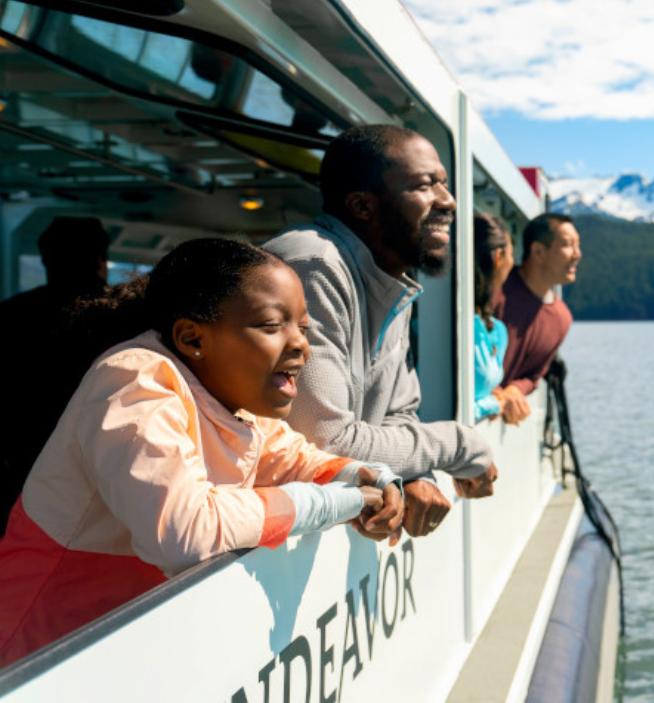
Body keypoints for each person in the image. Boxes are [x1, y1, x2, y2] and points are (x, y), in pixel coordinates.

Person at [0, 239, 404, 666]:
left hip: (107, 649)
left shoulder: (231, 398)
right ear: (192, 338)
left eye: (303, 328)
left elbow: (295, 458)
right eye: (272, 326)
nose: (300, 345)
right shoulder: (135, 380)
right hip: (34, 653)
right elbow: (183, 533)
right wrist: (334, 504)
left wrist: (368, 476)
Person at [265, 125, 498, 539]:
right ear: (362, 205)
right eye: (426, 186)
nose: (448, 201)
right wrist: (463, 446)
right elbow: (324, 440)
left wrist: (413, 475)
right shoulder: (313, 267)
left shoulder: (390, 278)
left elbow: (397, 412)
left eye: (444, 184)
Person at [0, 217, 111, 534]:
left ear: (46, 259)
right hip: (103, 470)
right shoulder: (130, 315)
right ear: (100, 259)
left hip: (25, 469)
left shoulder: (11, 315)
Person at [494, 213, 581, 425]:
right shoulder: (494, 289)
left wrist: (515, 389)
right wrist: (495, 393)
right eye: (568, 245)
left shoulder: (562, 319)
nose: (577, 254)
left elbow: (533, 376)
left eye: (578, 246)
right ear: (538, 252)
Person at [472, 213, 514, 424]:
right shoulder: (468, 329)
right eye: (511, 255)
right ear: (499, 257)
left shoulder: (492, 328)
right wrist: (495, 403)